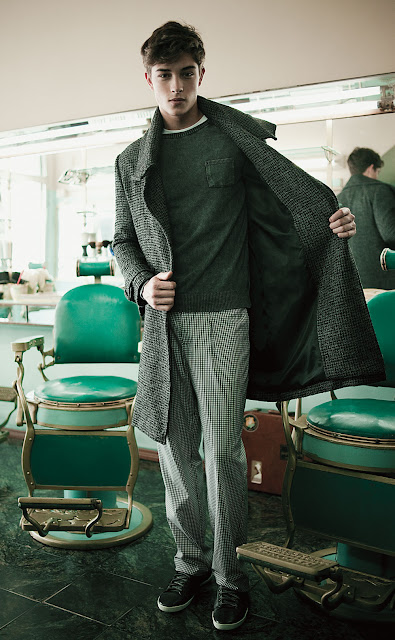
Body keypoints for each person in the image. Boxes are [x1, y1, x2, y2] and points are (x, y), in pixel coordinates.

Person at [113, 22, 384, 632]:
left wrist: (331, 222)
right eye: (165, 75)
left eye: (186, 73)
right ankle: (190, 564)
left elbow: (290, 205)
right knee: (175, 451)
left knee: (222, 453)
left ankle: (230, 575)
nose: (176, 86)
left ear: (201, 74)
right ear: (148, 78)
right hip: (163, 327)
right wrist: (140, 284)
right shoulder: (130, 161)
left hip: (225, 318)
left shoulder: (232, 140)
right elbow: (122, 240)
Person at [338, 147, 395, 290]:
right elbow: (390, 233)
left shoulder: (338, 198)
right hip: (384, 281)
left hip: (353, 283)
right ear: (371, 168)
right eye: (377, 172)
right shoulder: (380, 190)